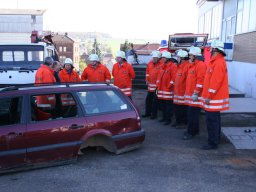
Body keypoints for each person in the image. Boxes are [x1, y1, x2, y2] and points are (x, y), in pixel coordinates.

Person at [200, 40, 229, 150]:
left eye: (211, 48)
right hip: (213, 98)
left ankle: (213, 143)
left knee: (212, 121)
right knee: (215, 121)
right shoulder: (216, 61)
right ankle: (215, 140)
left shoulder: (218, 62)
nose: (210, 50)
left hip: (213, 99)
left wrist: (209, 96)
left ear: (216, 50)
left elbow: (215, 82)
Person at [183, 47, 206, 140]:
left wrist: (196, 92)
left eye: (191, 55)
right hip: (192, 96)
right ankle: (194, 131)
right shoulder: (192, 65)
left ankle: (191, 132)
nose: (189, 56)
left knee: (192, 115)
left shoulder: (200, 65)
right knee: (192, 115)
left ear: (195, 56)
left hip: (196, 96)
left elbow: (201, 80)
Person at [156, 51, 177, 125]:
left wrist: (169, 86)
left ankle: (168, 119)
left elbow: (174, 77)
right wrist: (158, 85)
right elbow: (159, 76)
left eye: (164, 57)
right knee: (163, 105)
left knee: (168, 106)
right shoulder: (162, 66)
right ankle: (164, 118)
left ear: (168, 58)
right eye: (162, 57)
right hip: (161, 89)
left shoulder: (173, 66)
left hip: (168, 90)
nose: (163, 59)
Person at [142, 50, 163, 119]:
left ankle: (154, 115)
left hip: (157, 87)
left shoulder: (162, 64)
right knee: (148, 99)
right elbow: (147, 72)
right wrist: (147, 79)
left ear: (158, 58)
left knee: (155, 101)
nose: (153, 59)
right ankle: (147, 113)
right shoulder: (150, 63)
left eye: (155, 58)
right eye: (153, 58)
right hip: (150, 86)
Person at [173, 50, 190, 128]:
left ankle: (182, 123)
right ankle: (178, 122)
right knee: (177, 109)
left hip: (182, 93)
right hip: (177, 93)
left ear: (182, 58)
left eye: (178, 57)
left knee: (182, 109)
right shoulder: (179, 67)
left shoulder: (186, 67)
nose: (177, 58)